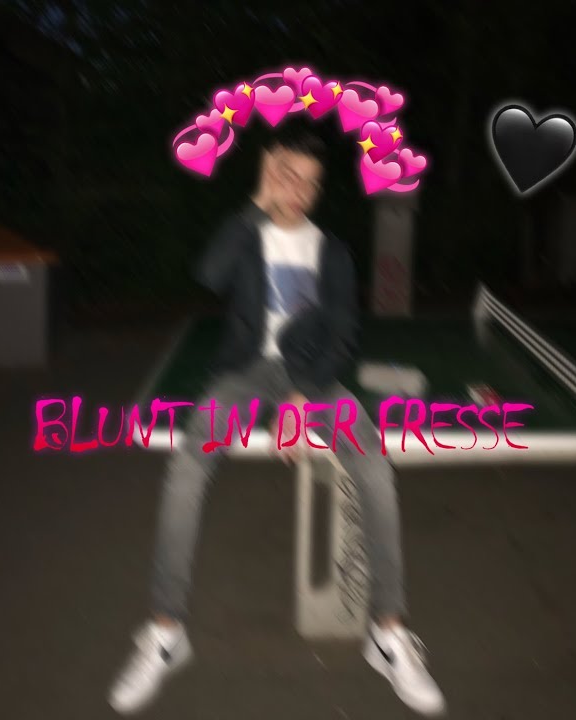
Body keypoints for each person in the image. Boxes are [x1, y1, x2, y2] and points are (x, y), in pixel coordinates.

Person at [108, 128, 446, 717]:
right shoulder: (247, 234)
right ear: (270, 172)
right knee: (187, 465)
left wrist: (299, 396)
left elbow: (343, 335)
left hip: (314, 377)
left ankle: (387, 632)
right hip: (245, 374)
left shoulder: (333, 252)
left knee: (374, 464)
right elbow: (209, 274)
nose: (300, 190)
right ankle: (166, 631)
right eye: (290, 175)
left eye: (311, 183)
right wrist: (255, 205)